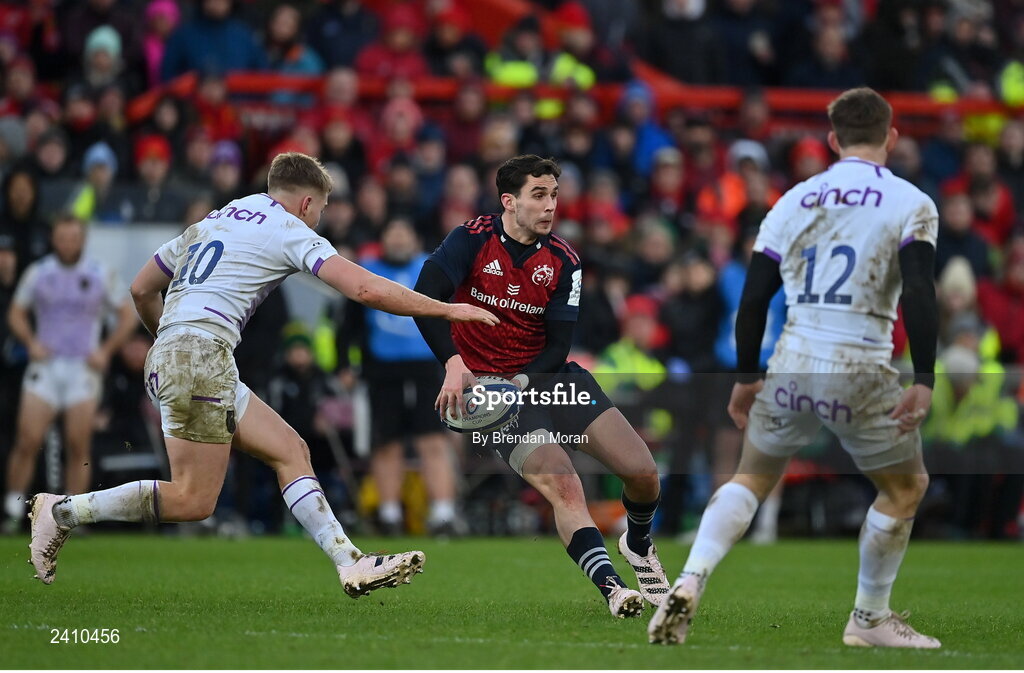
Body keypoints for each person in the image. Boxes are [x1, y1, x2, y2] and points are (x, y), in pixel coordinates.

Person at [27, 153, 498, 597]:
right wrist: (447, 309)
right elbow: (362, 288)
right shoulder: (288, 227)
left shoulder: (217, 217)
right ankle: (63, 510)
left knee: (291, 450)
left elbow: (141, 287)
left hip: (186, 351)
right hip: (200, 356)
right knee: (193, 500)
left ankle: (348, 561)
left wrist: (169, 343)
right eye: (321, 210)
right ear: (307, 202)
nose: (317, 221)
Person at [648, 88, 942, 648]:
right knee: (906, 488)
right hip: (858, 363)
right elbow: (920, 292)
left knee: (750, 478)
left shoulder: (794, 200)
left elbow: (753, 298)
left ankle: (689, 578)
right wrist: (923, 379)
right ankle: (870, 619)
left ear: (833, 140)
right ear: (892, 137)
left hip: (792, 360)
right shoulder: (912, 202)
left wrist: (745, 377)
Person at [413, 155, 669, 619]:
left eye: (554, 194)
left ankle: (639, 543)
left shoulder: (565, 261)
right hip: (488, 395)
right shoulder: (471, 239)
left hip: (545, 378)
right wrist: (454, 364)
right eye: (539, 195)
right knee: (565, 485)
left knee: (644, 472)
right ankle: (614, 589)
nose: (551, 205)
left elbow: (558, 345)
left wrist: (521, 383)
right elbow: (424, 301)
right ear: (509, 202)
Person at [4, 214, 137, 532]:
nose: (67, 244)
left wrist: (105, 350)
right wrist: (30, 342)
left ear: (82, 239)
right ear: (54, 239)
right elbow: (16, 313)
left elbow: (127, 314)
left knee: (78, 443)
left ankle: (73, 515)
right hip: (46, 366)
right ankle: (11, 508)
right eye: (62, 237)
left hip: (82, 369)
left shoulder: (99, 273)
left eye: (73, 237)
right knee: (27, 439)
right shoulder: (39, 273)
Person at [336, 217, 459, 536]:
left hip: (429, 370)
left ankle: (443, 515)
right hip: (381, 370)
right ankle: (388, 515)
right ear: (383, 240)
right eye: (393, 233)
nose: (399, 240)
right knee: (385, 443)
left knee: (432, 441)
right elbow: (346, 323)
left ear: (415, 241)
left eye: (405, 234)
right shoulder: (366, 271)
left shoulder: (431, 269)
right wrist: (343, 365)